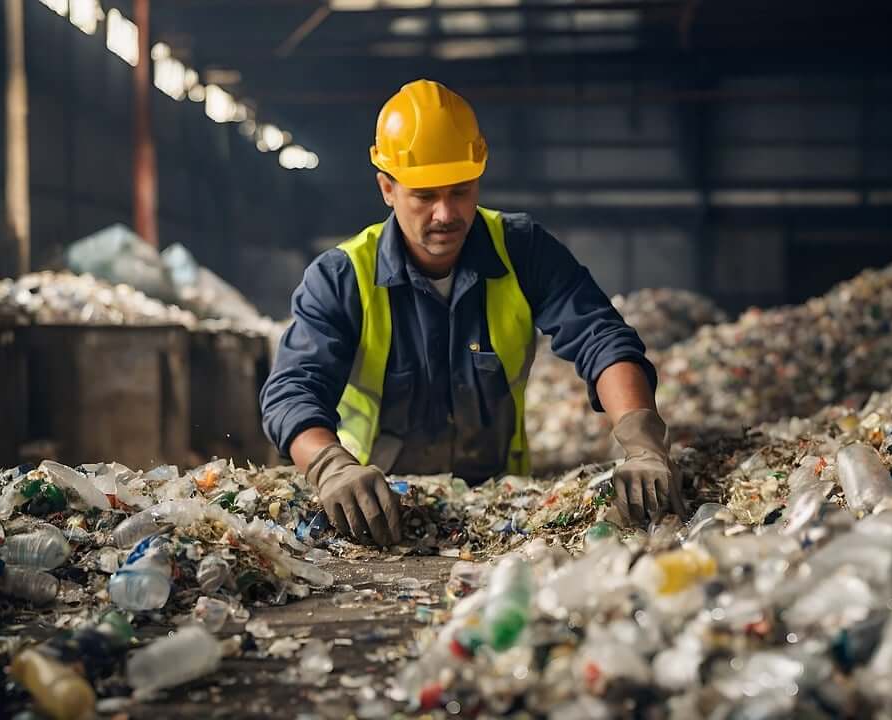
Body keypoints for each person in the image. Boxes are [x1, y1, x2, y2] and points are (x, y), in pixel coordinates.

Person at [260, 79, 686, 546]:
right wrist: (331, 468)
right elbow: (292, 390)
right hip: (382, 515)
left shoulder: (523, 251)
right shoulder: (342, 277)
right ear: (387, 188)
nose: (446, 213)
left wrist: (642, 443)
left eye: (460, 191)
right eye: (425, 195)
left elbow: (601, 338)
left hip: (501, 514)